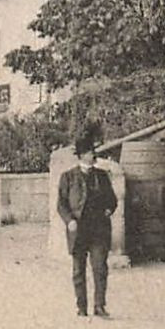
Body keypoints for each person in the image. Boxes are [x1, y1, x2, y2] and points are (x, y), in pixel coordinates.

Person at [57, 127, 117, 318]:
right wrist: (69, 221)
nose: (94, 155)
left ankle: (99, 306)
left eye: (94, 152)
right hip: (78, 229)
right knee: (78, 270)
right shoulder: (68, 177)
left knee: (100, 268)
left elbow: (112, 200)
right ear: (82, 155)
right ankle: (81, 307)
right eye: (91, 152)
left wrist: (109, 209)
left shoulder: (102, 175)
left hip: (99, 229)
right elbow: (61, 204)